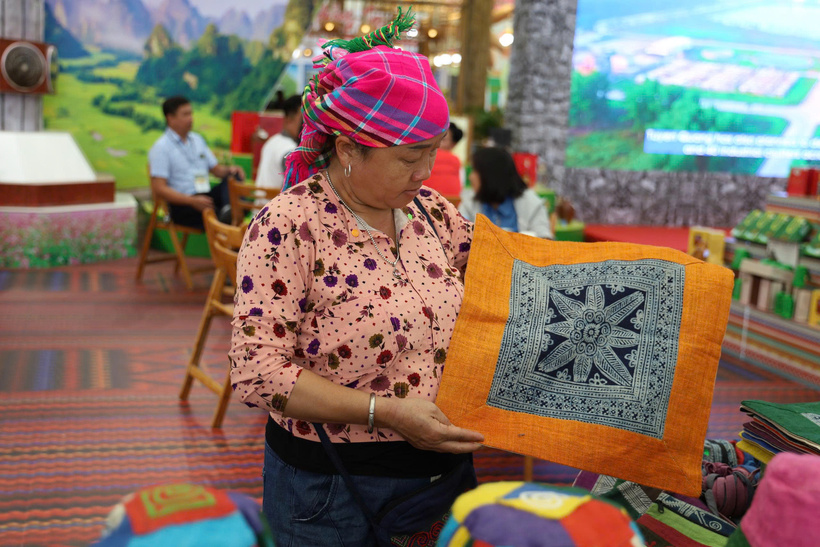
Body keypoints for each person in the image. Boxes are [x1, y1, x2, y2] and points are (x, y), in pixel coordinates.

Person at [229, 8, 485, 545]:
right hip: (328, 491)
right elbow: (257, 371)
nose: (425, 172)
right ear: (347, 149)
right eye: (409, 157)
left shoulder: (431, 213)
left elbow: (506, 280)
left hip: (435, 480)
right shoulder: (289, 227)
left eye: (433, 154)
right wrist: (386, 413)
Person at [148, 96, 244, 229]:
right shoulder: (161, 147)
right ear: (170, 118)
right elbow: (159, 188)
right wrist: (191, 201)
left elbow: (216, 170)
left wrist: (231, 170)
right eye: (185, 114)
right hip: (184, 203)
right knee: (220, 213)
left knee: (233, 179)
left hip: (205, 195)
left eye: (191, 113)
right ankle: (229, 217)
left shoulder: (197, 139)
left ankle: (228, 212)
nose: (191, 118)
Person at [459, 146, 552, 239]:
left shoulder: (531, 204)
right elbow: (459, 237)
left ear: (491, 176)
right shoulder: (469, 203)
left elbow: (545, 242)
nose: (470, 177)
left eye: (475, 171)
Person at [255, 94, 303, 190]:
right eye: (304, 119)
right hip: (276, 203)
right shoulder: (291, 150)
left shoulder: (272, 141)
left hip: (260, 204)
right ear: (289, 119)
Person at [424, 121, 464, 197]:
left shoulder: (424, 156)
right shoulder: (457, 160)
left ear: (453, 144)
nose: (437, 142)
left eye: (443, 140)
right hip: (450, 204)